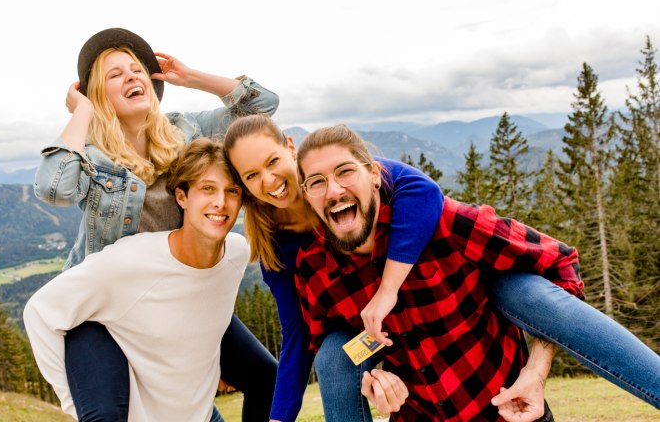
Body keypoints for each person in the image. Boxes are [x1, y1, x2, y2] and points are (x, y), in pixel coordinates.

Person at [294, 124, 660, 420]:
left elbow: (561, 264)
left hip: (511, 411)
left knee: (525, 289)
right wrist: (370, 379)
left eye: (345, 172)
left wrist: (536, 371)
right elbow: (337, 351)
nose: (335, 190)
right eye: (317, 182)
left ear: (375, 174)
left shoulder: (447, 225)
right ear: (307, 194)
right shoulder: (315, 268)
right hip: (417, 414)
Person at [33, 28, 277, 421]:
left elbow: (261, 108)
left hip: (176, 294)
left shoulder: (186, 132)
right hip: (106, 305)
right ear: (98, 94)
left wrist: (192, 77)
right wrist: (82, 112)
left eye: (137, 69)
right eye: (115, 75)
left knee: (265, 376)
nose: (132, 76)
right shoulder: (92, 157)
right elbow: (53, 188)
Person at [224, 114, 445, 421]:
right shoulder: (275, 248)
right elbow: (296, 333)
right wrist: (279, 417)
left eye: (272, 161)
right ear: (244, 185)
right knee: (333, 358)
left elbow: (424, 191)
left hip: (430, 294)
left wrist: (387, 290)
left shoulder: (334, 177)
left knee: (522, 293)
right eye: (251, 176)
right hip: (366, 331)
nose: (269, 180)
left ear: (290, 147)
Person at [26, 138, 247, 421]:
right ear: (182, 197)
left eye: (232, 191)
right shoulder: (131, 262)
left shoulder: (238, 253)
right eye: (207, 189)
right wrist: (76, 405)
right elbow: (40, 312)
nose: (221, 202)